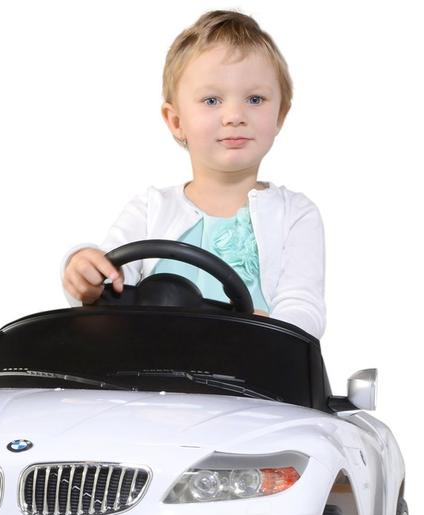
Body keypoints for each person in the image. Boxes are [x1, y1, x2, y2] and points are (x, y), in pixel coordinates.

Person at [60, 9, 326, 339]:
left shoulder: (295, 215)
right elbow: (108, 280)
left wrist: (273, 332)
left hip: (253, 366)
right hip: (150, 364)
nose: (234, 115)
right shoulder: (149, 209)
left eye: (255, 99)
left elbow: (304, 306)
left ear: (279, 116)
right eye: (212, 100)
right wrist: (83, 270)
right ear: (176, 121)